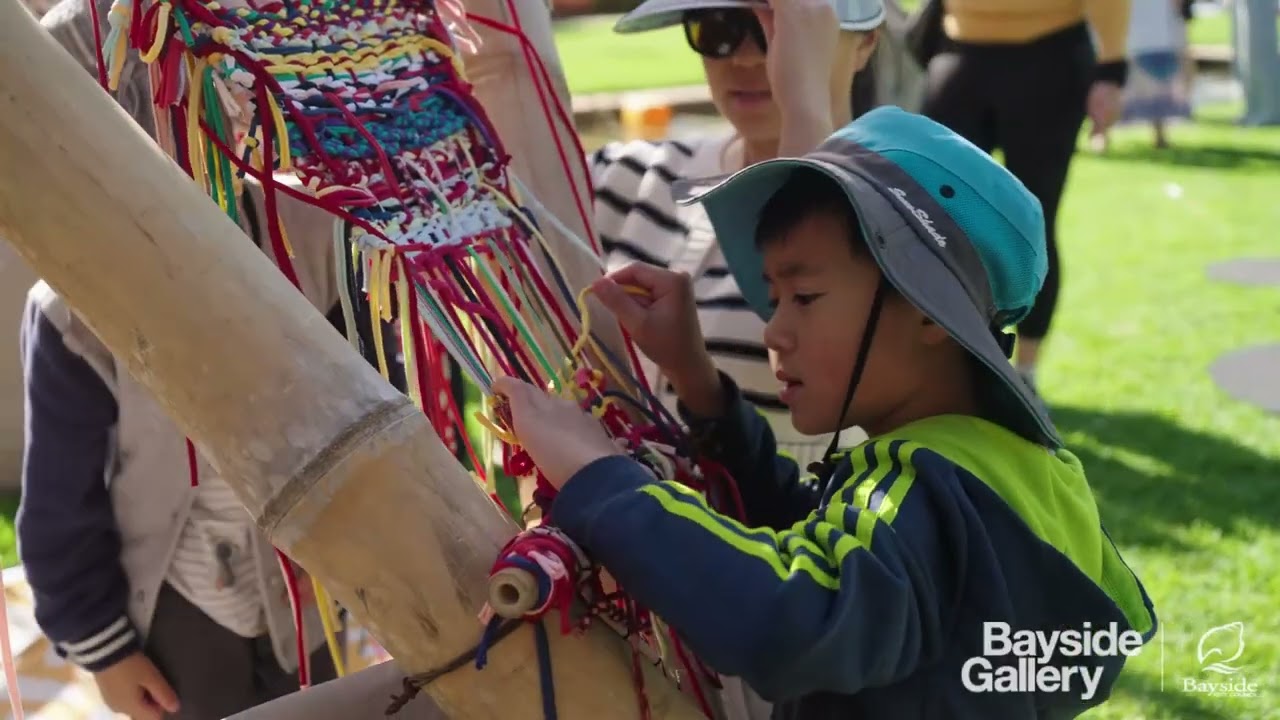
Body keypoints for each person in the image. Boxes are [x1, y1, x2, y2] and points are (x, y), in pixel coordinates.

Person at [492, 107, 1157, 718]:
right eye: (774, 299)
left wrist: (596, 473)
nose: (773, 331)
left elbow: (792, 617)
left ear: (927, 309)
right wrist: (699, 382)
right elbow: (817, 539)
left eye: (803, 297)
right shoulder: (995, 473)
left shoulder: (920, 481)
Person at [16, 0, 393, 717]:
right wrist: (108, 651)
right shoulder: (73, 312)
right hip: (173, 610)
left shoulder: (313, 243)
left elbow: (382, 409)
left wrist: (372, 556)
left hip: (311, 589)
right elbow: (62, 508)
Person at [591, 0, 885, 474]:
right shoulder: (625, 177)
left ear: (866, 40)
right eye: (718, 29)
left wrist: (803, 111)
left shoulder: (905, 204)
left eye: (776, 29)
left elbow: (834, 361)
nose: (746, 58)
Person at [917, 0, 1131, 392]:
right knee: (937, 224)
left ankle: (1025, 375)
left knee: (1033, 223)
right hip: (959, 52)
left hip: (1048, 56)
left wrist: (1111, 69)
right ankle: (954, 365)